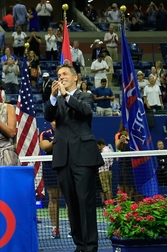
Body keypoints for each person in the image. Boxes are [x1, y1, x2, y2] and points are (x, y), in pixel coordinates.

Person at [44, 64, 104, 252]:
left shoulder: (85, 96)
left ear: (75, 77)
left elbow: (85, 111)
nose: (61, 77)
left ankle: (90, 247)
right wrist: (53, 96)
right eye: (58, 74)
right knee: (71, 203)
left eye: (64, 74)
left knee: (86, 202)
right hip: (63, 158)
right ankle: (79, 245)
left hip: (84, 158)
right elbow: (48, 115)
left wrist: (65, 95)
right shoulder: (57, 100)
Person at [39, 121, 62, 239]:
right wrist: (59, 139)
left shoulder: (69, 132)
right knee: (53, 198)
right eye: (53, 120)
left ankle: (73, 229)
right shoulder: (45, 134)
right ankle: (55, 228)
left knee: (70, 198)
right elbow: (45, 147)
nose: (55, 122)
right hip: (50, 167)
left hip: (66, 166)